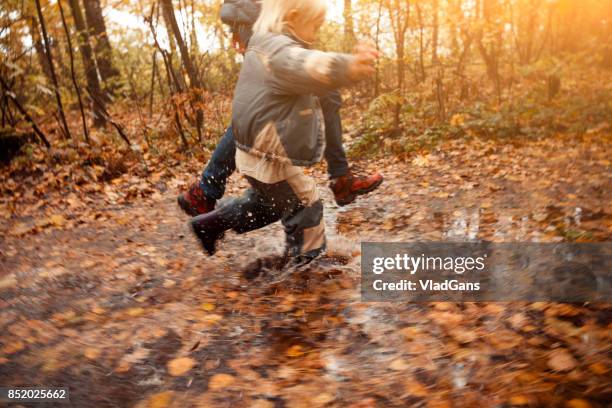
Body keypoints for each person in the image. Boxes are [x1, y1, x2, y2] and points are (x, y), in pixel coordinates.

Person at [190, 0, 378, 263]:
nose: (316, 33)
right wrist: (346, 66)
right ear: (292, 17)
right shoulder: (279, 52)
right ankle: (307, 265)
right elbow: (305, 64)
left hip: (253, 154)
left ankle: (211, 224)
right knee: (306, 201)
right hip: (267, 156)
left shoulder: (262, 42)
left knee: (269, 204)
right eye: (315, 26)